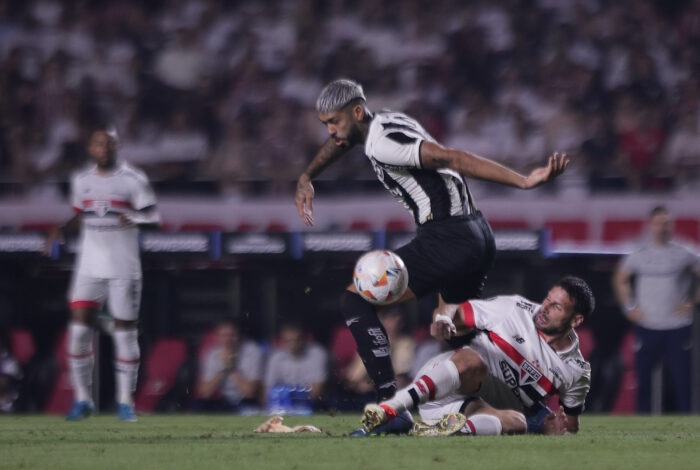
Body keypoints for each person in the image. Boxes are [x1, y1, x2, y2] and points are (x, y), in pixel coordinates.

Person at [294, 78, 569, 431]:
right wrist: (307, 174)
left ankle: (390, 411)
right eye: (326, 125)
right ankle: (536, 414)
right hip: (475, 233)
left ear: (357, 112)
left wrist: (524, 182)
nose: (331, 131)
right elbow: (342, 141)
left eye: (334, 122)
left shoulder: (383, 144)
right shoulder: (384, 122)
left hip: (448, 235)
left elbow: (451, 157)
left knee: (356, 302)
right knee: (457, 334)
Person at [360, 276, 594, 437]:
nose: (544, 308)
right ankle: (390, 409)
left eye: (557, 307)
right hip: (447, 377)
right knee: (474, 361)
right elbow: (454, 310)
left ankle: (437, 431)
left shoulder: (575, 371)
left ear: (576, 320)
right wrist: (444, 319)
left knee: (517, 423)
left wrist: (553, 428)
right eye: (547, 299)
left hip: (470, 408)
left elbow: (570, 425)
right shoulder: (514, 309)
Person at [45, 126, 161, 422]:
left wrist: (133, 217)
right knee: (79, 332)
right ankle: (83, 400)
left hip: (123, 267)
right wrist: (61, 228)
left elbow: (154, 218)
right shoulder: (81, 180)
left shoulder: (133, 179)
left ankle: (125, 403)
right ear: (90, 148)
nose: (104, 149)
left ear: (116, 147)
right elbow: (80, 214)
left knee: (124, 335)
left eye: (109, 144)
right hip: (89, 266)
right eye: (98, 144)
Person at [613, 206, 700, 413]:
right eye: (658, 223)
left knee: (683, 381)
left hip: (678, 326)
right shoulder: (640, 254)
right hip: (648, 325)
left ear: (672, 225)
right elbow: (620, 279)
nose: (662, 227)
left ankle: (688, 428)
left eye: (666, 223)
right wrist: (629, 307)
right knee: (642, 381)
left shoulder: (684, 252)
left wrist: (694, 303)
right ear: (651, 225)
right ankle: (643, 426)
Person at [193, 320, 265, 413]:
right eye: (224, 335)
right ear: (217, 337)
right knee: (198, 406)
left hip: (247, 402)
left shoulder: (253, 351)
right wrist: (223, 369)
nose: (228, 340)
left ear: (239, 336)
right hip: (224, 401)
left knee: (248, 408)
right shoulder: (212, 353)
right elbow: (204, 393)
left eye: (232, 335)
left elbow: (250, 392)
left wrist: (231, 367)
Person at [264, 323, 328, 413]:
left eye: (297, 340)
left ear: (304, 339)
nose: (293, 344)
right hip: (281, 406)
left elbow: (317, 392)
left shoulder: (317, 353)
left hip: (311, 406)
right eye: (288, 341)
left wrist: (289, 395)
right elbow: (267, 392)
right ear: (282, 341)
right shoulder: (275, 357)